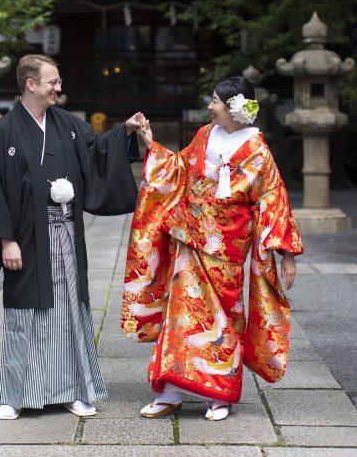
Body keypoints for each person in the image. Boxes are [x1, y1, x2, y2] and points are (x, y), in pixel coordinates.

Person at [121, 76, 302, 422]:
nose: (210, 106)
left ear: (234, 107)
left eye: (216, 101)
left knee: (223, 319)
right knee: (181, 314)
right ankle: (170, 390)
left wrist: (287, 254)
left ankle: (218, 394)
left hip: (228, 247)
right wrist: (152, 145)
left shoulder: (258, 152)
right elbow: (178, 169)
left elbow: (273, 201)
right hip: (190, 238)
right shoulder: (205, 135)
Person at [0, 54, 145, 420]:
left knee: (70, 307)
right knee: (25, 314)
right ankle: (15, 394)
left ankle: (74, 390)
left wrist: (126, 131)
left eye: (58, 81)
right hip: (25, 234)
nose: (59, 87)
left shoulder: (68, 124)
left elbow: (97, 152)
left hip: (65, 232)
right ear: (31, 84)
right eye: (52, 81)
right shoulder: (4, 132)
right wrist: (6, 240)